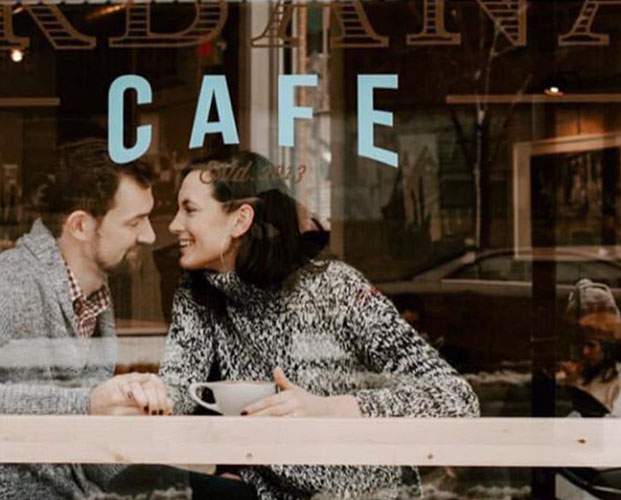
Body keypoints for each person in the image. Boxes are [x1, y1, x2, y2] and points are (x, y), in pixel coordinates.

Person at [158, 151, 480, 499]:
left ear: (240, 221)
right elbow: (177, 389)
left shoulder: (337, 288)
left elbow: (457, 399)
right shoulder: (198, 293)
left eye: (189, 210)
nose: (174, 224)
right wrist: (140, 394)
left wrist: (331, 409)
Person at [0, 138, 172, 500]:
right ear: (79, 226)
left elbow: (81, 448)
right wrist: (85, 406)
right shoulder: (13, 280)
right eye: (135, 221)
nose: (150, 235)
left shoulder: (95, 295)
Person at [558, 279, 621, 413]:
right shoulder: (577, 374)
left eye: (591, 345)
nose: (584, 352)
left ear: (608, 346)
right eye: (579, 345)